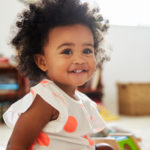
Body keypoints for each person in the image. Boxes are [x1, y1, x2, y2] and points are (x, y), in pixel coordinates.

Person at [3, 0, 113, 150]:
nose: (80, 59)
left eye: (87, 50)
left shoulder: (83, 101)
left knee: (106, 147)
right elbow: (16, 145)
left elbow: (76, 141)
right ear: (42, 61)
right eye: (67, 51)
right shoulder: (46, 99)